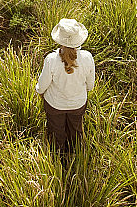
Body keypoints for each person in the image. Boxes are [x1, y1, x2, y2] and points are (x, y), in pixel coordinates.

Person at [35, 18, 95, 156]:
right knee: (76, 129)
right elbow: (90, 85)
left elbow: (42, 86)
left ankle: (59, 156)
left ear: (59, 40)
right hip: (78, 103)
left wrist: (38, 90)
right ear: (78, 39)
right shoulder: (87, 57)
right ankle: (76, 154)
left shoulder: (51, 59)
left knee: (57, 131)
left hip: (55, 105)